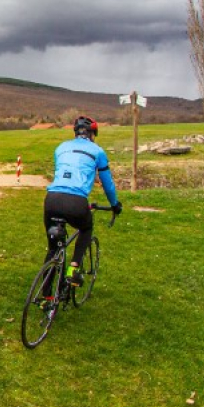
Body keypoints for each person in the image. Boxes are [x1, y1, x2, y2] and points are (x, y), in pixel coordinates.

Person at [41, 116, 122, 307]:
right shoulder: (98, 152)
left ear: (75, 133)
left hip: (52, 198)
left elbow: (61, 172)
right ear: (93, 134)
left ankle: (46, 296)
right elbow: (107, 184)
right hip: (76, 202)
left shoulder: (61, 148)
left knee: (54, 248)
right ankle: (74, 268)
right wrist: (115, 204)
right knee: (86, 228)